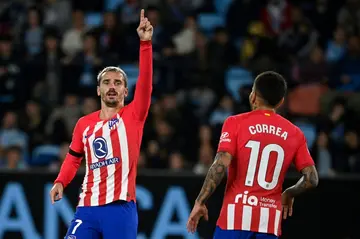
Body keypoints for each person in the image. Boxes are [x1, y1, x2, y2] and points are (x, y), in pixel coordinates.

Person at [49, 9, 153, 239]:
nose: (112, 86)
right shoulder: (84, 124)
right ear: (99, 90)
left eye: (118, 82)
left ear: (126, 90)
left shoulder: (134, 115)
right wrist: (60, 182)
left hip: (120, 208)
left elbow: (145, 85)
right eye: (106, 82)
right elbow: (73, 158)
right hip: (87, 208)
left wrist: (145, 45)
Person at [187, 71, 319, 239]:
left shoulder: (235, 123)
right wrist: (289, 193)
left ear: (253, 96)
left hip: (234, 219)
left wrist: (200, 201)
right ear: (280, 102)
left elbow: (220, 164)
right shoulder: (295, 133)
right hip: (269, 224)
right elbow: (311, 179)